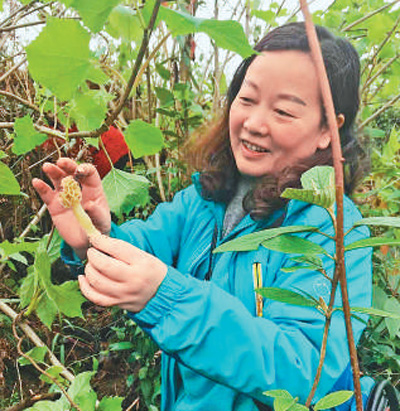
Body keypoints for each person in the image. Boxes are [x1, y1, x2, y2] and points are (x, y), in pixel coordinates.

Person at [33, 22, 373, 411]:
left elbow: (305, 371)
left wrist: (168, 299)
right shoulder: (202, 200)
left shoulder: (332, 230)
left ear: (328, 129)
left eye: (282, 110)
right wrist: (92, 232)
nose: (254, 123)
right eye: (247, 99)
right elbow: (140, 251)